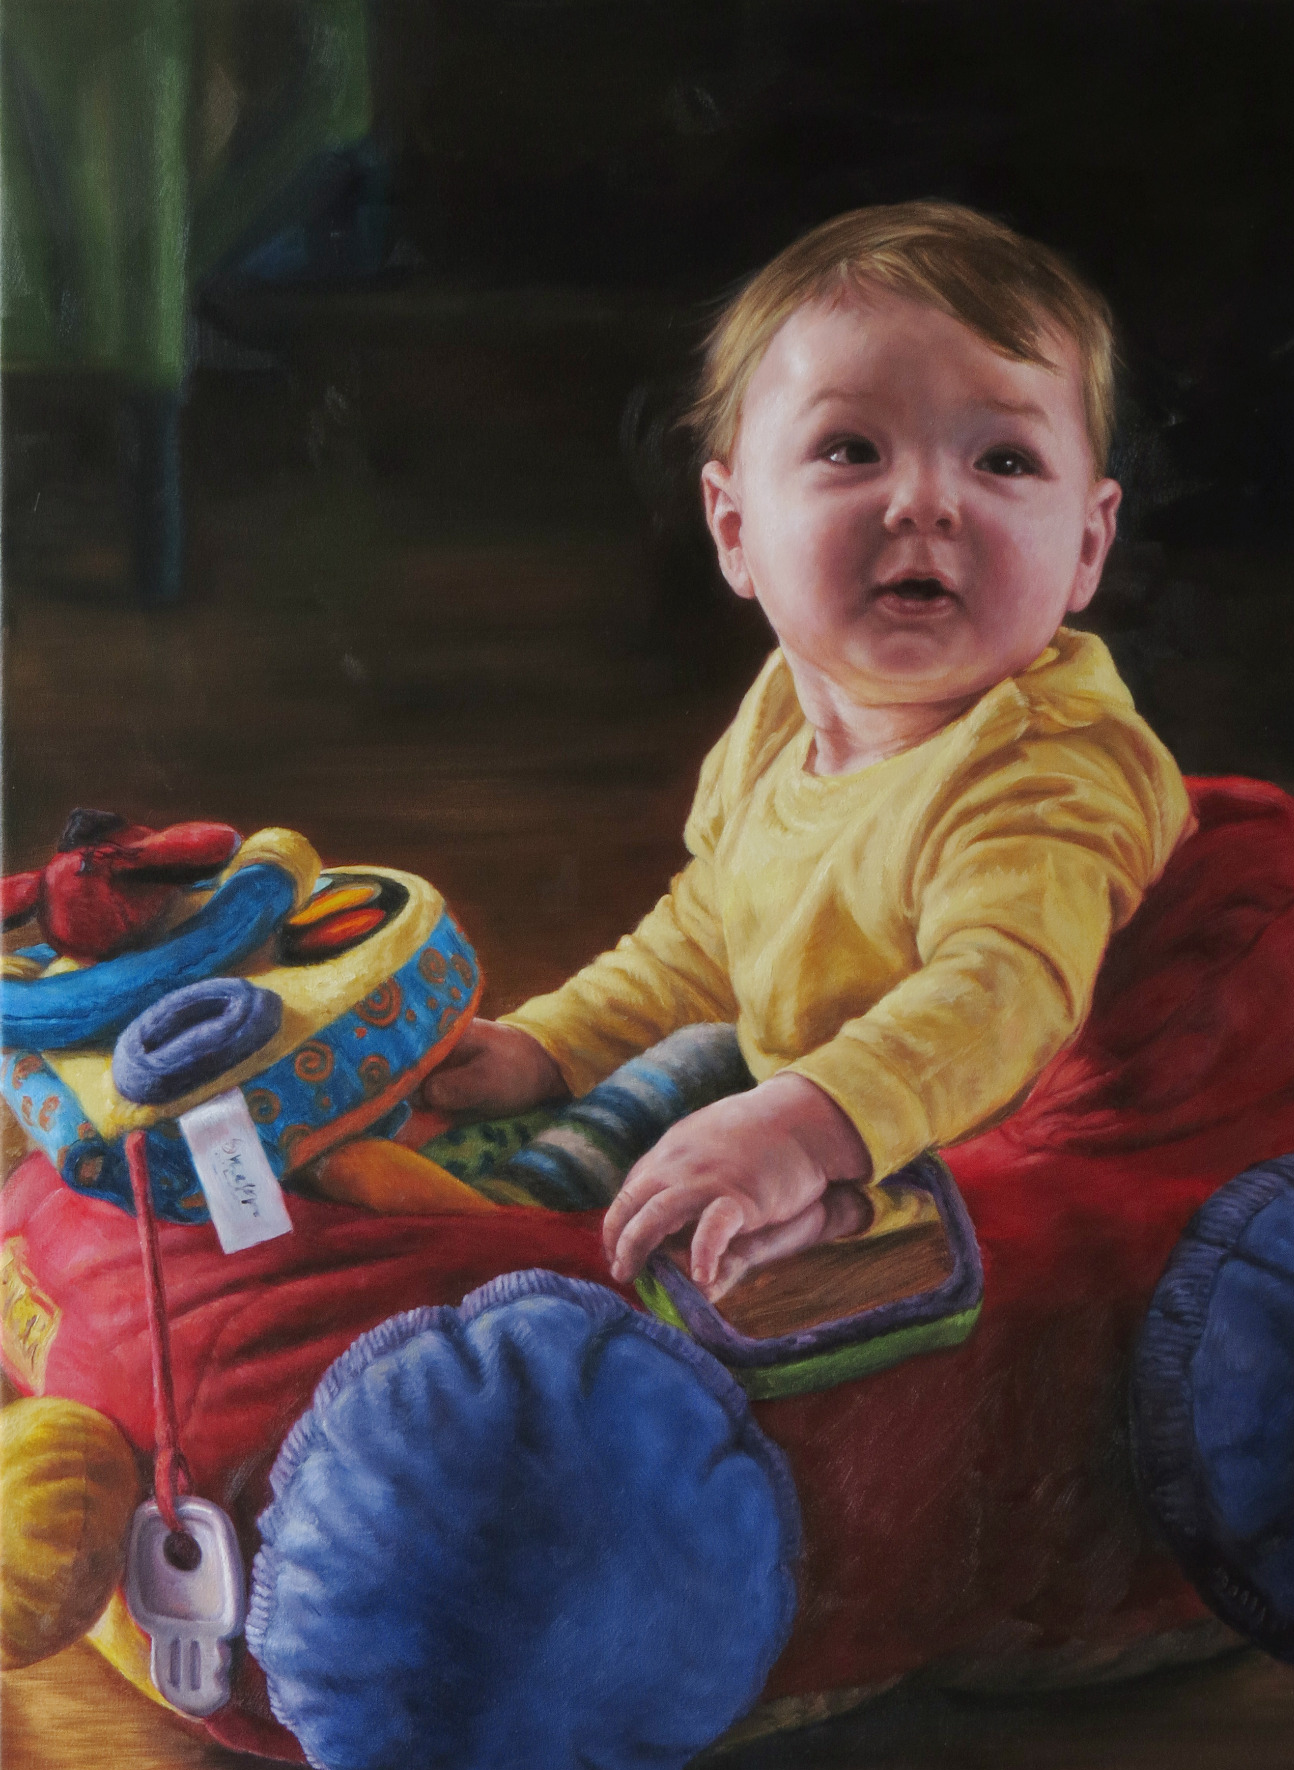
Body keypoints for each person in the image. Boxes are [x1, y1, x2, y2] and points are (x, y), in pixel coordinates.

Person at [421, 201, 1191, 1302]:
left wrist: (803, 1126)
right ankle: (527, 1211)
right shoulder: (783, 717)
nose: (926, 502)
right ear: (736, 532)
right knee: (680, 1072)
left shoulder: (1047, 764)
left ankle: (542, 1265)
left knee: (736, 1256)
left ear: (1087, 545)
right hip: (813, 1108)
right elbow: (710, 937)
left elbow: (1002, 993)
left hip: (977, 1161)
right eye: (851, 449)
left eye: (1003, 459)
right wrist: (549, 1046)